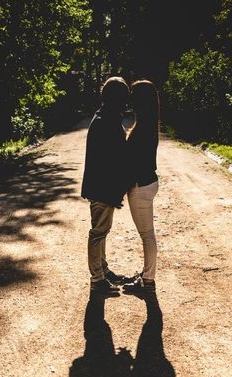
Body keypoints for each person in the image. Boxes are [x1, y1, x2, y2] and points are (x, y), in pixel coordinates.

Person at [82, 77, 134, 296]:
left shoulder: (105, 116)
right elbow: (113, 158)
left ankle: (103, 271)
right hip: (101, 187)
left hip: (100, 185)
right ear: (116, 98)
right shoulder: (106, 120)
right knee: (98, 232)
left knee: (102, 231)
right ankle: (97, 280)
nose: (126, 102)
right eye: (123, 97)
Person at [121, 80, 160, 297]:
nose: (130, 98)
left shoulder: (142, 128)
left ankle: (148, 281)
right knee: (148, 234)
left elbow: (132, 161)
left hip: (141, 185)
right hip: (148, 182)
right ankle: (147, 277)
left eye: (133, 95)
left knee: (147, 235)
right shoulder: (148, 122)